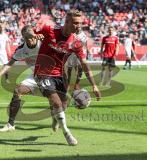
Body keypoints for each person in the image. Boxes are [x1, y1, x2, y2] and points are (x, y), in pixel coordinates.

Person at [33, 9, 101, 146]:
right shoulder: (49, 30)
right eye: (76, 23)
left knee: (63, 105)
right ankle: (67, 133)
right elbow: (29, 31)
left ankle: (55, 117)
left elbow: (84, 63)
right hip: (42, 73)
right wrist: (32, 35)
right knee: (57, 103)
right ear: (67, 22)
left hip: (59, 75)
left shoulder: (76, 43)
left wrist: (94, 85)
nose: (79, 26)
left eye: (81, 23)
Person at [0, 25, 40, 132]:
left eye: (32, 37)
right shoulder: (22, 49)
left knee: (57, 100)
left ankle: (58, 116)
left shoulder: (44, 42)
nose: (31, 40)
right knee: (18, 91)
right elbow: (9, 63)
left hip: (52, 76)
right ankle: (10, 124)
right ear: (24, 38)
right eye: (27, 38)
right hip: (36, 76)